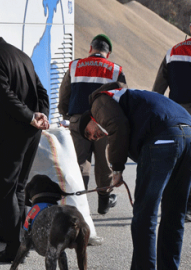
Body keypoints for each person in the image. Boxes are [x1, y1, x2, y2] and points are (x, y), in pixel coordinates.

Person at [79, 81, 191, 270]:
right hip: (188, 136)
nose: (94, 137)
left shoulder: (98, 101)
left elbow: (116, 124)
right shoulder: (129, 98)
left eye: (88, 133)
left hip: (163, 138)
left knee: (144, 216)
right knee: (174, 215)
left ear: (91, 117)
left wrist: (117, 169)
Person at [0, 17, 50, 263]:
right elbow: (41, 90)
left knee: (5, 192)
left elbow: (4, 96)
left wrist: (29, 117)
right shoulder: (20, 55)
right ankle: (19, 245)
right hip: (29, 132)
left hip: (10, 133)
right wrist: (41, 115)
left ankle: (15, 248)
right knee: (18, 188)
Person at [58, 34, 126, 215]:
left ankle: (79, 204)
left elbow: (64, 95)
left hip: (79, 122)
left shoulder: (75, 66)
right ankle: (103, 202)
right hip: (104, 123)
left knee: (80, 162)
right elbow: (123, 100)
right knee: (104, 162)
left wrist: (68, 116)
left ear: (90, 48)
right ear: (108, 53)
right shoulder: (115, 70)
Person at [152, 20, 191, 222]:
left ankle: (178, 206)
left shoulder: (173, 52)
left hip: (177, 113)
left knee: (179, 159)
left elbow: (159, 87)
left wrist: (153, 112)